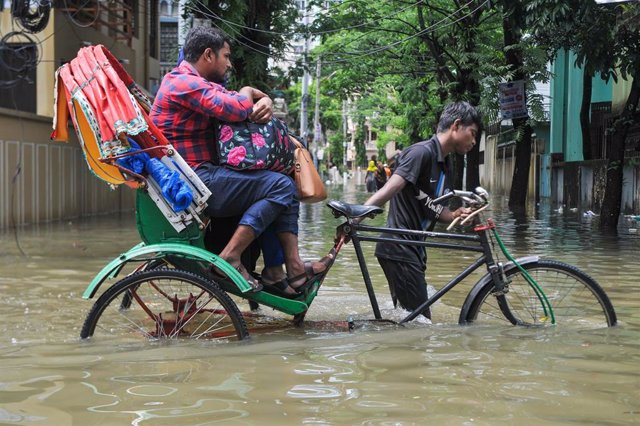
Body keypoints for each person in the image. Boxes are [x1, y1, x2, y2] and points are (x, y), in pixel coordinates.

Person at [150, 26, 329, 296]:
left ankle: (288, 268)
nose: (229, 62)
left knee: (285, 179)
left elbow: (233, 99)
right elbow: (234, 108)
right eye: (226, 56)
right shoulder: (180, 82)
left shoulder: (198, 83)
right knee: (280, 186)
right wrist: (248, 90)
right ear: (208, 55)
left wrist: (264, 97)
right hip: (197, 181)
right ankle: (231, 256)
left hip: (203, 176)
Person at [361, 101, 482, 319]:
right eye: (472, 133)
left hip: (413, 250)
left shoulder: (445, 163)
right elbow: (393, 186)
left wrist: (454, 215)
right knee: (421, 325)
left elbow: (434, 209)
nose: (474, 141)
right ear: (456, 125)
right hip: (400, 247)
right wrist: (358, 213)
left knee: (407, 320)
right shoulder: (421, 153)